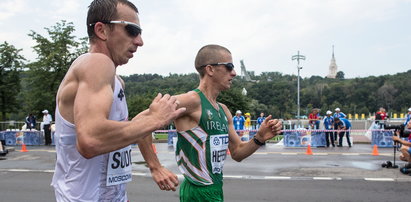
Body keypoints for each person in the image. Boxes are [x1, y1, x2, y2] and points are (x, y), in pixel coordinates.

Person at [51, 1, 186, 201]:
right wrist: (155, 120)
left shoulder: (115, 80)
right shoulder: (96, 62)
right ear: (102, 30)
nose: (140, 41)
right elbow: (91, 140)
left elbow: (124, 131)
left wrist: (152, 167)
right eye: (132, 30)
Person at [173, 44, 282, 202]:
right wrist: (155, 167)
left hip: (216, 189)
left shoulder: (223, 110)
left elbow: (238, 152)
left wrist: (259, 138)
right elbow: (145, 119)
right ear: (210, 69)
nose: (234, 73)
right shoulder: (191, 100)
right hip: (197, 191)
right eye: (229, 67)